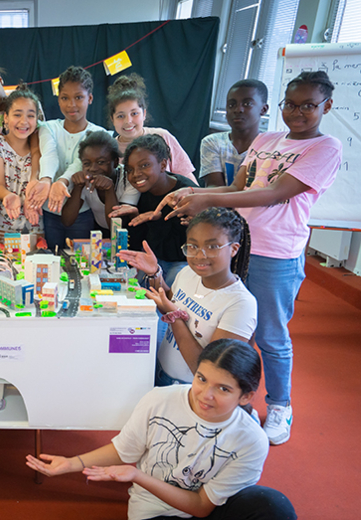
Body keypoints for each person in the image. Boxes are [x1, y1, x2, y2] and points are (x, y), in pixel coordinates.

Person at [157, 71, 342, 445]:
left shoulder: (325, 147)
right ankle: (236, 399)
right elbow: (240, 187)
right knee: (236, 332)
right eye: (291, 104)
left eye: (308, 105)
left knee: (271, 336)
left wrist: (207, 199)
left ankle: (279, 406)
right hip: (237, 246)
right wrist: (190, 191)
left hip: (276, 251)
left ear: (326, 106)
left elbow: (275, 193)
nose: (298, 112)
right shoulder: (268, 139)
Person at [26, 339, 297, 520]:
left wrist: (137, 475)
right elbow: (124, 449)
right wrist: (71, 463)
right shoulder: (161, 399)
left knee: (274, 506)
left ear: (246, 397)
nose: (205, 395)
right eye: (201, 379)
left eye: (223, 389)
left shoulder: (252, 440)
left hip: (207, 508)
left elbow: (202, 507)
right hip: (156, 512)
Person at [119, 208, 257, 390]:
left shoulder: (241, 304)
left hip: (191, 389)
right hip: (160, 370)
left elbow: (208, 370)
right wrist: (154, 273)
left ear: (233, 249)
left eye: (213, 247)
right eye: (192, 246)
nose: (200, 255)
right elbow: (170, 300)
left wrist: (173, 316)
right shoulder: (187, 273)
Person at [27, 66, 107, 250]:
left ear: (90, 98)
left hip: (82, 212)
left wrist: (62, 181)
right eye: (65, 98)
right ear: (58, 99)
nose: (71, 104)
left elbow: (81, 162)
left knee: (80, 262)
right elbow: (49, 153)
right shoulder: (48, 127)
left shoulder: (98, 133)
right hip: (48, 212)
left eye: (78, 97)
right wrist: (46, 180)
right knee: (52, 263)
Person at [121, 134, 198, 287]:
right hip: (153, 261)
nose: (136, 174)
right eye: (130, 169)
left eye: (144, 165)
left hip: (182, 264)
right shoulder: (140, 192)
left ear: (163, 165)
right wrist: (137, 218)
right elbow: (141, 243)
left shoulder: (184, 194)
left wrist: (157, 221)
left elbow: (182, 248)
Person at [106, 74, 198, 184]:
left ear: (144, 114)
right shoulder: (109, 150)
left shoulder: (162, 136)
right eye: (121, 116)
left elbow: (188, 178)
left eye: (134, 113)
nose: (128, 121)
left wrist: (197, 196)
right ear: (112, 119)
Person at [0, 90, 44, 247]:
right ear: (5, 117)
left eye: (30, 115)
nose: (24, 121)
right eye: (17, 115)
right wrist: (9, 196)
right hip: (0, 228)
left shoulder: (42, 147)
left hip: (34, 228)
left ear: (37, 119)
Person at [60, 130, 137, 234]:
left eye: (101, 162)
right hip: (102, 231)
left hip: (131, 232)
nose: (93, 168)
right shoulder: (85, 179)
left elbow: (117, 226)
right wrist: (78, 187)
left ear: (115, 162)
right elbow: (67, 221)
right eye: (87, 163)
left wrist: (109, 189)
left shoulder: (129, 177)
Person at [200, 80, 269, 187]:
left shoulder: (271, 146)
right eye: (231, 105)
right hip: (218, 201)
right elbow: (214, 187)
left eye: (247, 104)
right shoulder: (213, 142)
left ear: (263, 109)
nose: (238, 109)